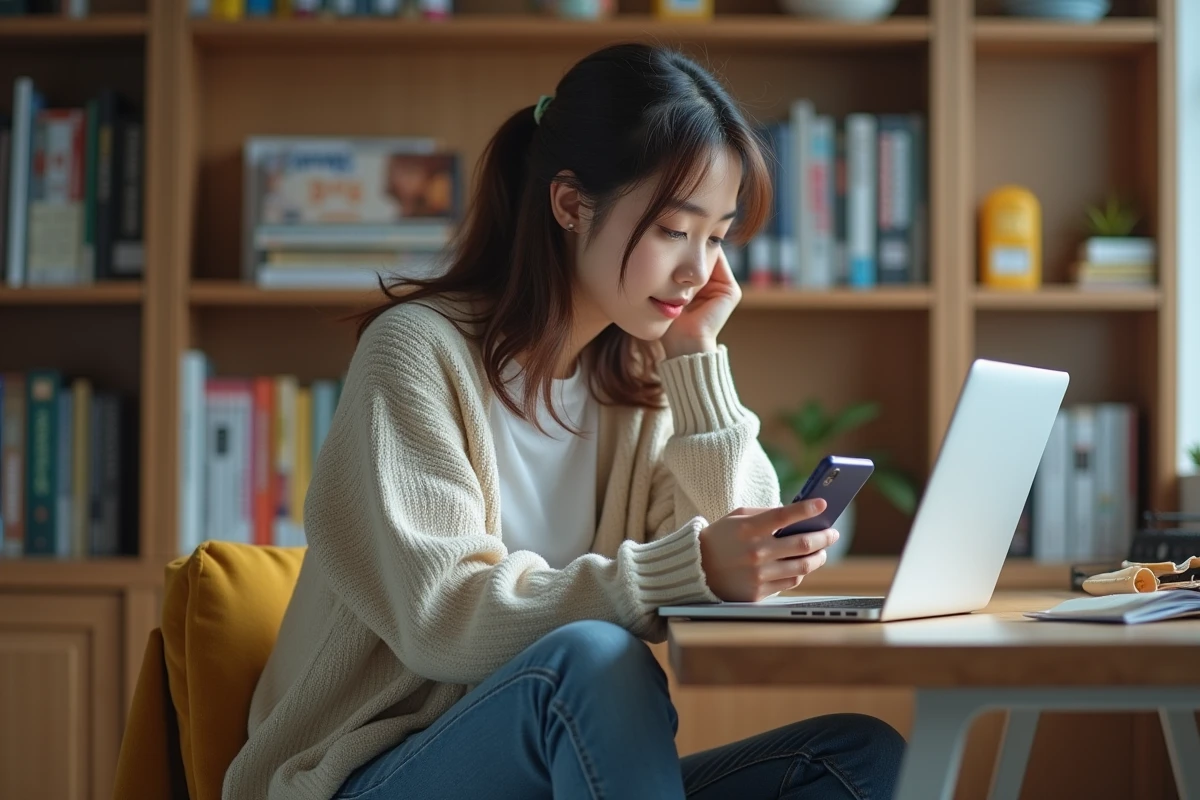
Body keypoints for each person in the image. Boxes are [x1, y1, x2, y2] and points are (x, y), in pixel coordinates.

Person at [223, 42, 904, 800]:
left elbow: (729, 544)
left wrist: (695, 357)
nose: (699, 271)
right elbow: (444, 620)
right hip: (369, 772)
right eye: (675, 230)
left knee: (860, 758)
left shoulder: (638, 381)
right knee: (593, 658)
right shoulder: (416, 353)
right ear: (571, 204)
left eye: (717, 236)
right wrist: (688, 567)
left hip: (545, 768)